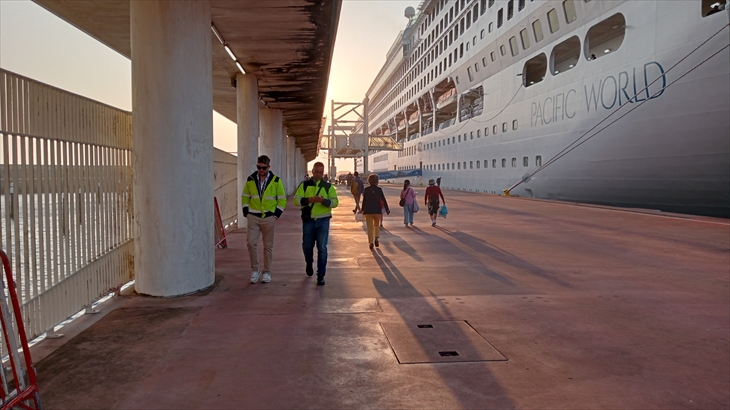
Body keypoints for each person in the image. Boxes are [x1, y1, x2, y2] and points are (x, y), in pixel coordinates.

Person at [241, 155, 287, 284]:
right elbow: (245, 196)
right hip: (253, 216)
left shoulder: (276, 181)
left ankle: (267, 272)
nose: (261, 170)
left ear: (268, 167)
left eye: (263, 168)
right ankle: (255, 269)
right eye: (259, 167)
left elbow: (282, 199)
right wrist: (246, 211)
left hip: (269, 217)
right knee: (251, 243)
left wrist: (276, 215)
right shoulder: (250, 179)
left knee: (268, 246)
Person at [294, 162, 338, 286]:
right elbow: (296, 200)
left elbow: (335, 202)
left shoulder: (328, 187)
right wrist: (308, 200)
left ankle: (321, 275)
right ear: (312, 171)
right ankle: (309, 262)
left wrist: (324, 201)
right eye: (317, 172)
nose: (319, 174)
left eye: (321, 172)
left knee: (322, 248)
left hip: (323, 220)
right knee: (307, 246)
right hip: (309, 220)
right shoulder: (304, 185)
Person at [361, 174, 390, 250]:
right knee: (376, 225)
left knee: (370, 227)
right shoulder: (379, 190)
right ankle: (376, 238)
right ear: (377, 181)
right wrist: (387, 209)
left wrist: (362, 209)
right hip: (377, 211)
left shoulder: (366, 190)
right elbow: (383, 199)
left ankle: (371, 242)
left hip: (368, 211)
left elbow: (364, 201)